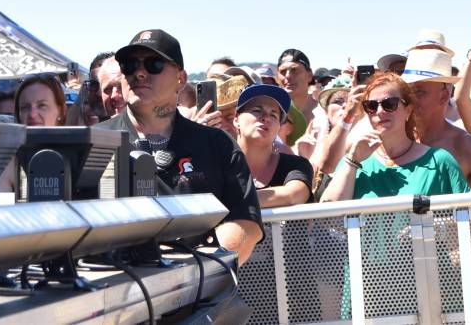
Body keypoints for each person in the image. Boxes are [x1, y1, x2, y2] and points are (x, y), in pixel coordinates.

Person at [100, 29, 262, 263]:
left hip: (200, 292)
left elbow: (246, 222)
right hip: (113, 287)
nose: (140, 73)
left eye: (153, 64)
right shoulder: (96, 142)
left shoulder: (217, 145)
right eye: (130, 65)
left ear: (181, 79)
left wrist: (194, 271)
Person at [320, 72, 467, 201]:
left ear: (408, 110)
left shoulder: (440, 161)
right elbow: (327, 215)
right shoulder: (355, 160)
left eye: (389, 104)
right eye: (371, 106)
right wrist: (352, 162)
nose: (380, 111)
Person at [405, 31, 471, 190]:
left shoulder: (466, 147)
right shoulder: (394, 141)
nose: (409, 99)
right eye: (406, 91)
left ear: (443, 96)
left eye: (419, 91)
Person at [233, 84, 313, 207]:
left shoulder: (295, 165)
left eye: (273, 114)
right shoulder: (218, 164)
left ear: (279, 127)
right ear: (236, 120)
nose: (266, 118)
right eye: (257, 110)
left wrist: (229, 201)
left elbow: (294, 195)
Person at [276, 49, 315, 148]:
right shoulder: (272, 110)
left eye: (294, 70)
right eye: (283, 72)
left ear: (309, 75)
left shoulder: (324, 112)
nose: (288, 76)